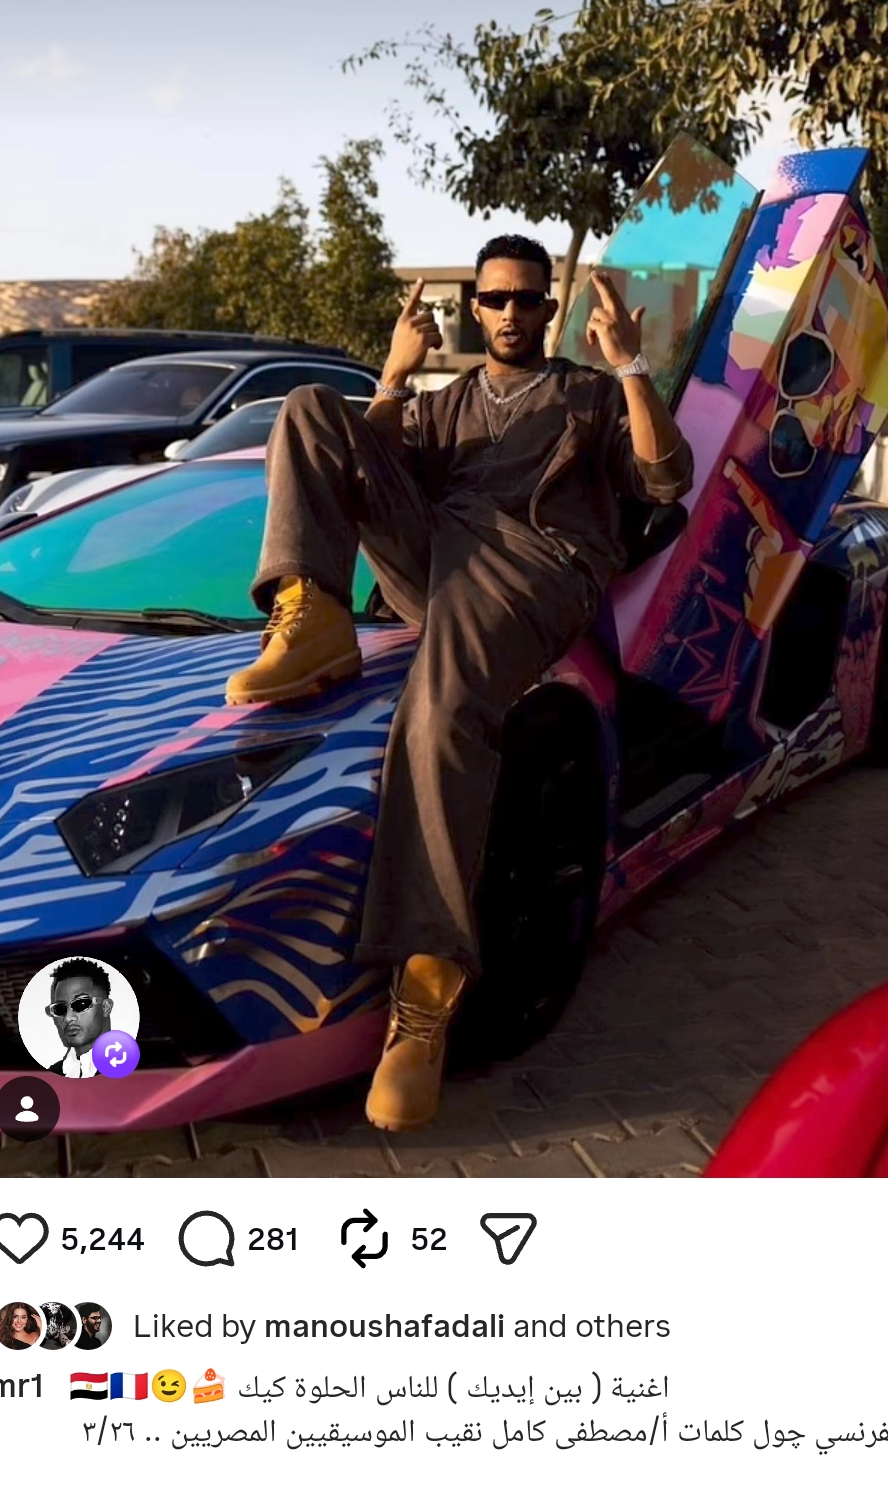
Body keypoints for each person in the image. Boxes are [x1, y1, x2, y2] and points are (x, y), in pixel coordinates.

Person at [226, 236, 693, 1132]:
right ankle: (311, 615)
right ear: (474, 308)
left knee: (439, 709)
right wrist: (395, 378)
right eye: (496, 298)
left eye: (528, 299)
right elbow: (354, 475)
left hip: (535, 567)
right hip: (439, 554)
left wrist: (632, 366)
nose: (513, 313)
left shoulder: (591, 396)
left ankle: (426, 990)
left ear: (550, 309)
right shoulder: (445, 406)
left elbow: (667, 478)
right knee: (311, 406)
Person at [44, 959, 113, 1077]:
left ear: (106, 1007)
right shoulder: (52, 1074)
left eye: (81, 1004)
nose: (68, 1018)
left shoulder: (134, 1069)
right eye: (60, 1009)